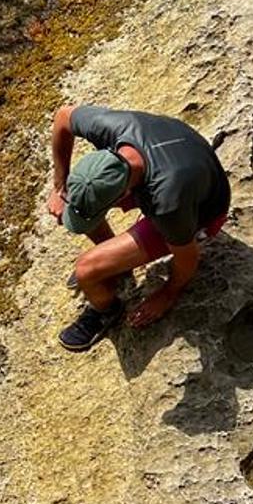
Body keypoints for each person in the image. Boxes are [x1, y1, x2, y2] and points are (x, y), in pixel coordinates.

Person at [47, 103, 231, 352]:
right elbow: (63, 117)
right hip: (176, 166)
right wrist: (61, 186)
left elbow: (187, 257)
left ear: (125, 195)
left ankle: (106, 310)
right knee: (80, 204)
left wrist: (168, 294)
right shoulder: (113, 128)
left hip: (202, 211)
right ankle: (116, 268)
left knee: (86, 270)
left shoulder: (167, 204)